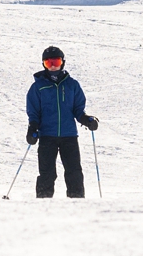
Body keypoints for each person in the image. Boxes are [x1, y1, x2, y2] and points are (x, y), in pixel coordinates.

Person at [26, 46, 98, 199]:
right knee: (47, 173)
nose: (53, 66)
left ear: (62, 63)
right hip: (47, 135)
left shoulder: (72, 85)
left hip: (69, 135)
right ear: (43, 65)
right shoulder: (38, 87)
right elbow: (34, 111)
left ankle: (77, 200)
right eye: (48, 63)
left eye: (56, 62)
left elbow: (78, 109)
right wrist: (33, 127)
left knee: (74, 171)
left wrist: (86, 119)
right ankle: (43, 202)